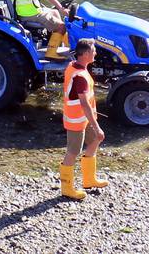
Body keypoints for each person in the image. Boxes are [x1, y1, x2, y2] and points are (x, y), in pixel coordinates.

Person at [59, 38, 109, 200]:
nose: (96, 53)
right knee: (72, 152)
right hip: (76, 120)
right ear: (86, 53)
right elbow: (84, 104)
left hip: (83, 118)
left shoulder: (73, 66)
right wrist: (97, 126)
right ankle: (67, 188)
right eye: (94, 50)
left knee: (94, 140)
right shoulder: (80, 77)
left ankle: (89, 179)